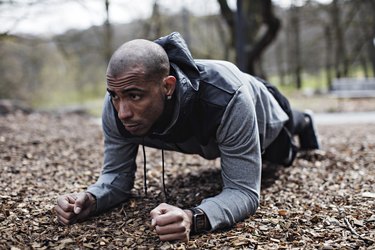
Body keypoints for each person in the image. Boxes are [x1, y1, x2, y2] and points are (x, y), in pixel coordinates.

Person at [54, 32, 319, 242]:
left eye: (135, 96)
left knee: (282, 153)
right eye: (115, 96)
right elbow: (116, 178)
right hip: (206, 134)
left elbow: (244, 192)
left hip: (261, 109)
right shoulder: (117, 102)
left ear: (167, 86)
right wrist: (92, 198)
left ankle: (304, 120)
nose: (122, 112)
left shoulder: (227, 97)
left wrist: (194, 218)